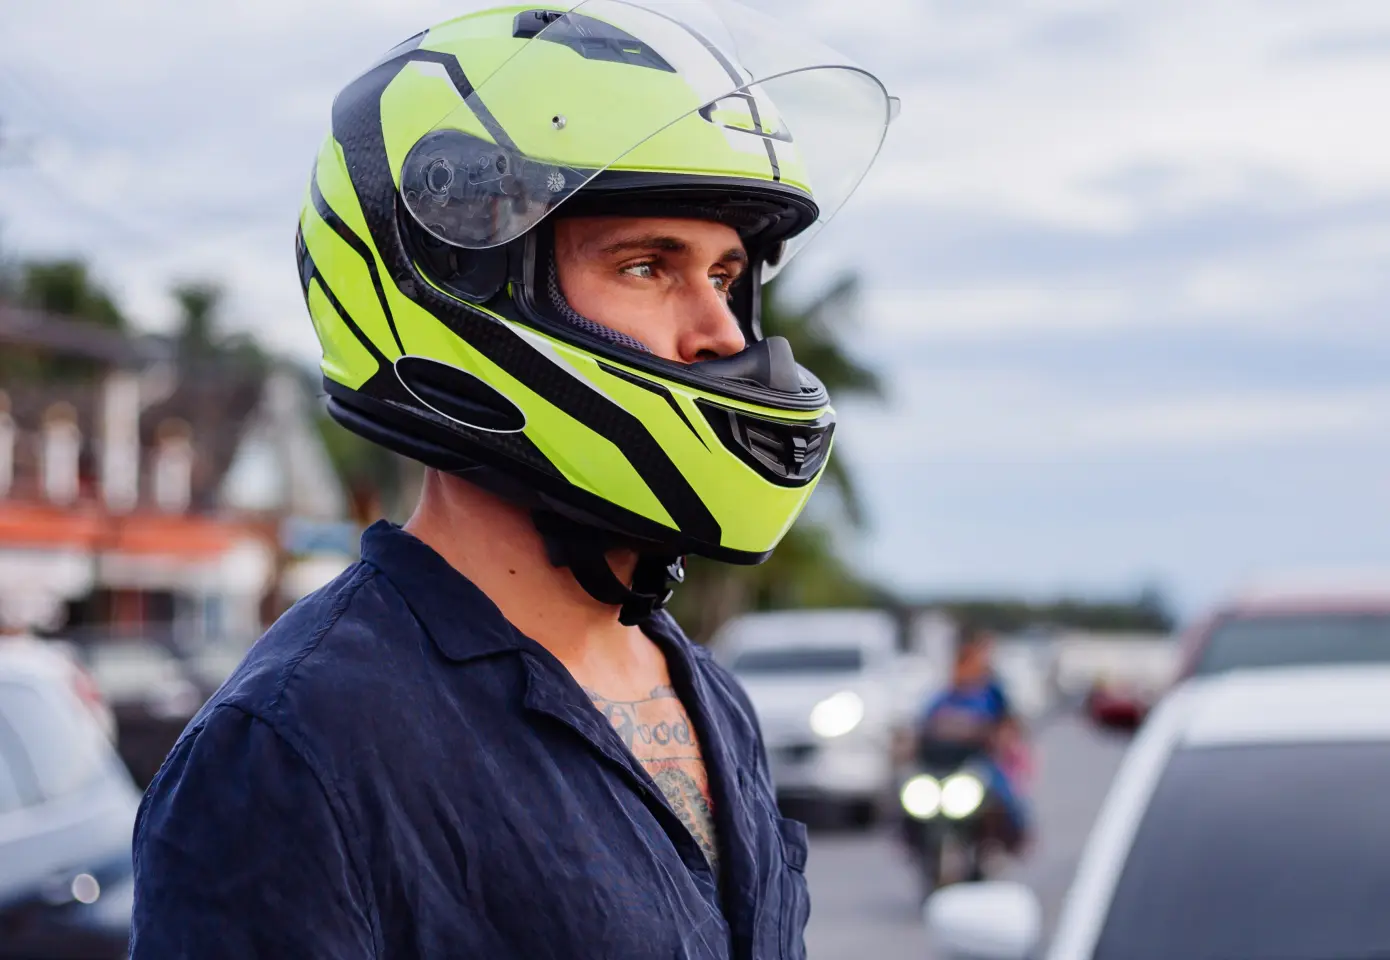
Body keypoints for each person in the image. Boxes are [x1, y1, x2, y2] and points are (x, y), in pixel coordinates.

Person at [129, 5, 895, 958]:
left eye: (728, 274)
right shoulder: (298, 749)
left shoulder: (707, 695)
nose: (726, 335)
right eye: (650, 266)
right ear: (463, 284)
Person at [917, 625, 1032, 850]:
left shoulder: (992, 693)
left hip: (977, 764)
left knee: (1006, 796)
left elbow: (1010, 725)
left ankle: (1014, 839)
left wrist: (997, 737)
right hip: (941, 766)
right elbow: (921, 725)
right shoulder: (944, 695)